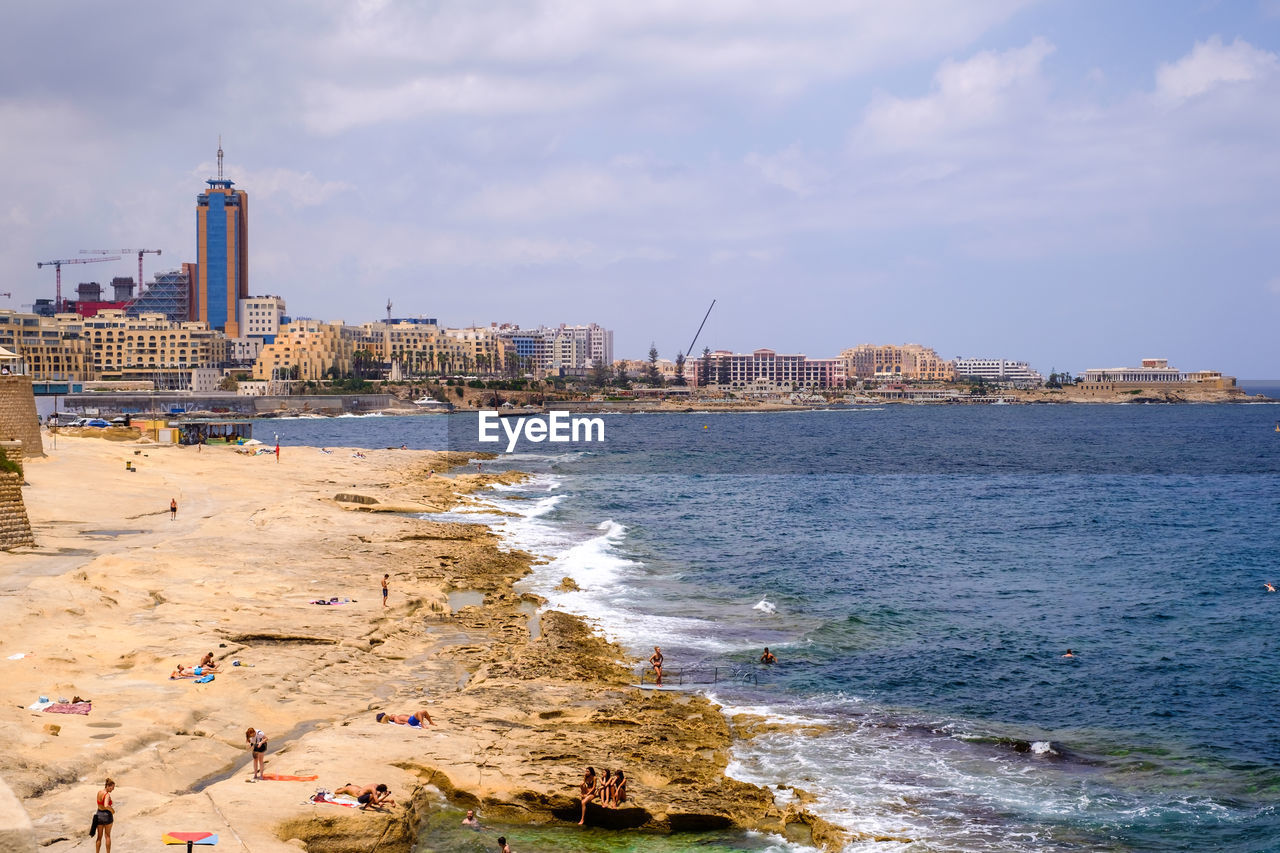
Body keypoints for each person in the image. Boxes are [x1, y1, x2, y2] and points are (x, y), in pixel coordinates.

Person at [92, 777, 115, 853]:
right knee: (107, 836)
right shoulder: (107, 795)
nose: (113, 789)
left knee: (99, 837)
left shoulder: (99, 792)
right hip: (107, 815)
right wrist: (112, 810)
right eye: (112, 787)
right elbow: (106, 805)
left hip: (99, 814)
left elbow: (99, 803)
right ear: (108, 786)